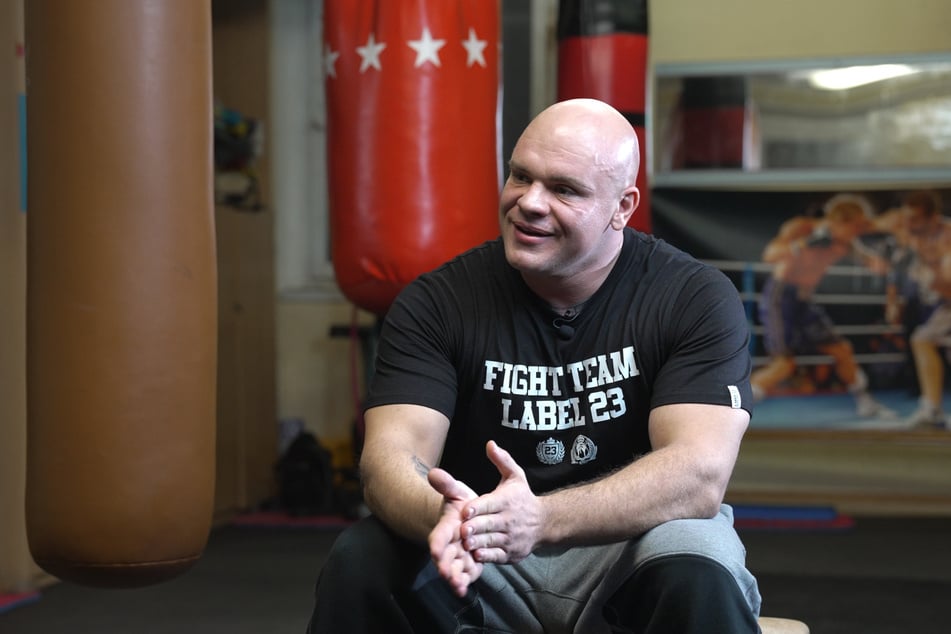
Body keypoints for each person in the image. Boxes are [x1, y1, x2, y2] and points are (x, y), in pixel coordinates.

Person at [306, 98, 762, 633]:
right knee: (364, 554)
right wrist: (454, 517)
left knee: (696, 553)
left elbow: (698, 475)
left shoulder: (693, 297)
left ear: (623, 207)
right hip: (481, 550)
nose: (529, 203)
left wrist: (541, 519)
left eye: (564, 189)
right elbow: (389, 460)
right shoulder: (438, 302)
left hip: (628, 548)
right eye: (520, 176)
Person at [750, 193, 895, 419]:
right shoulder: (802, 227)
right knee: (783, 365)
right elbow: (769, 255)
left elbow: (875, 264)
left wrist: (884, 262)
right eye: (854, 227)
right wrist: (803, 244)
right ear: (839, 220)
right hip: (781, 297)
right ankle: (731, 410)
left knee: (841, 350)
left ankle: (866, 404)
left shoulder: (845, 243)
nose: (857, 232)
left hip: (805, 301)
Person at [874, 190, 951, 429]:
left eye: (915, 219)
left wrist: (934, 270)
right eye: (906, 218)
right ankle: (931, 409)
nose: (909, 224)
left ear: (933, 217)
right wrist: (892, 301)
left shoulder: (947, 236)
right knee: (922, 340)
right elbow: (894, 268)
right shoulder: (910, 233)